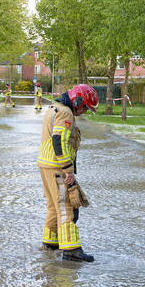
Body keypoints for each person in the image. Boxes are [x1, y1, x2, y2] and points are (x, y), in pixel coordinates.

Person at [37, 83, 98, 262]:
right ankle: (71, 250)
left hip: (46, 164)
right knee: (67, 208)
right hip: (57, 167)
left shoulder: (53, 108)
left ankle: (50, 242)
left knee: (53, 206)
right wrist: (68, 171)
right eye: (84, 107)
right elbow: (59, 141)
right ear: (77, 100)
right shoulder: (66, 113)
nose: (84, 111)